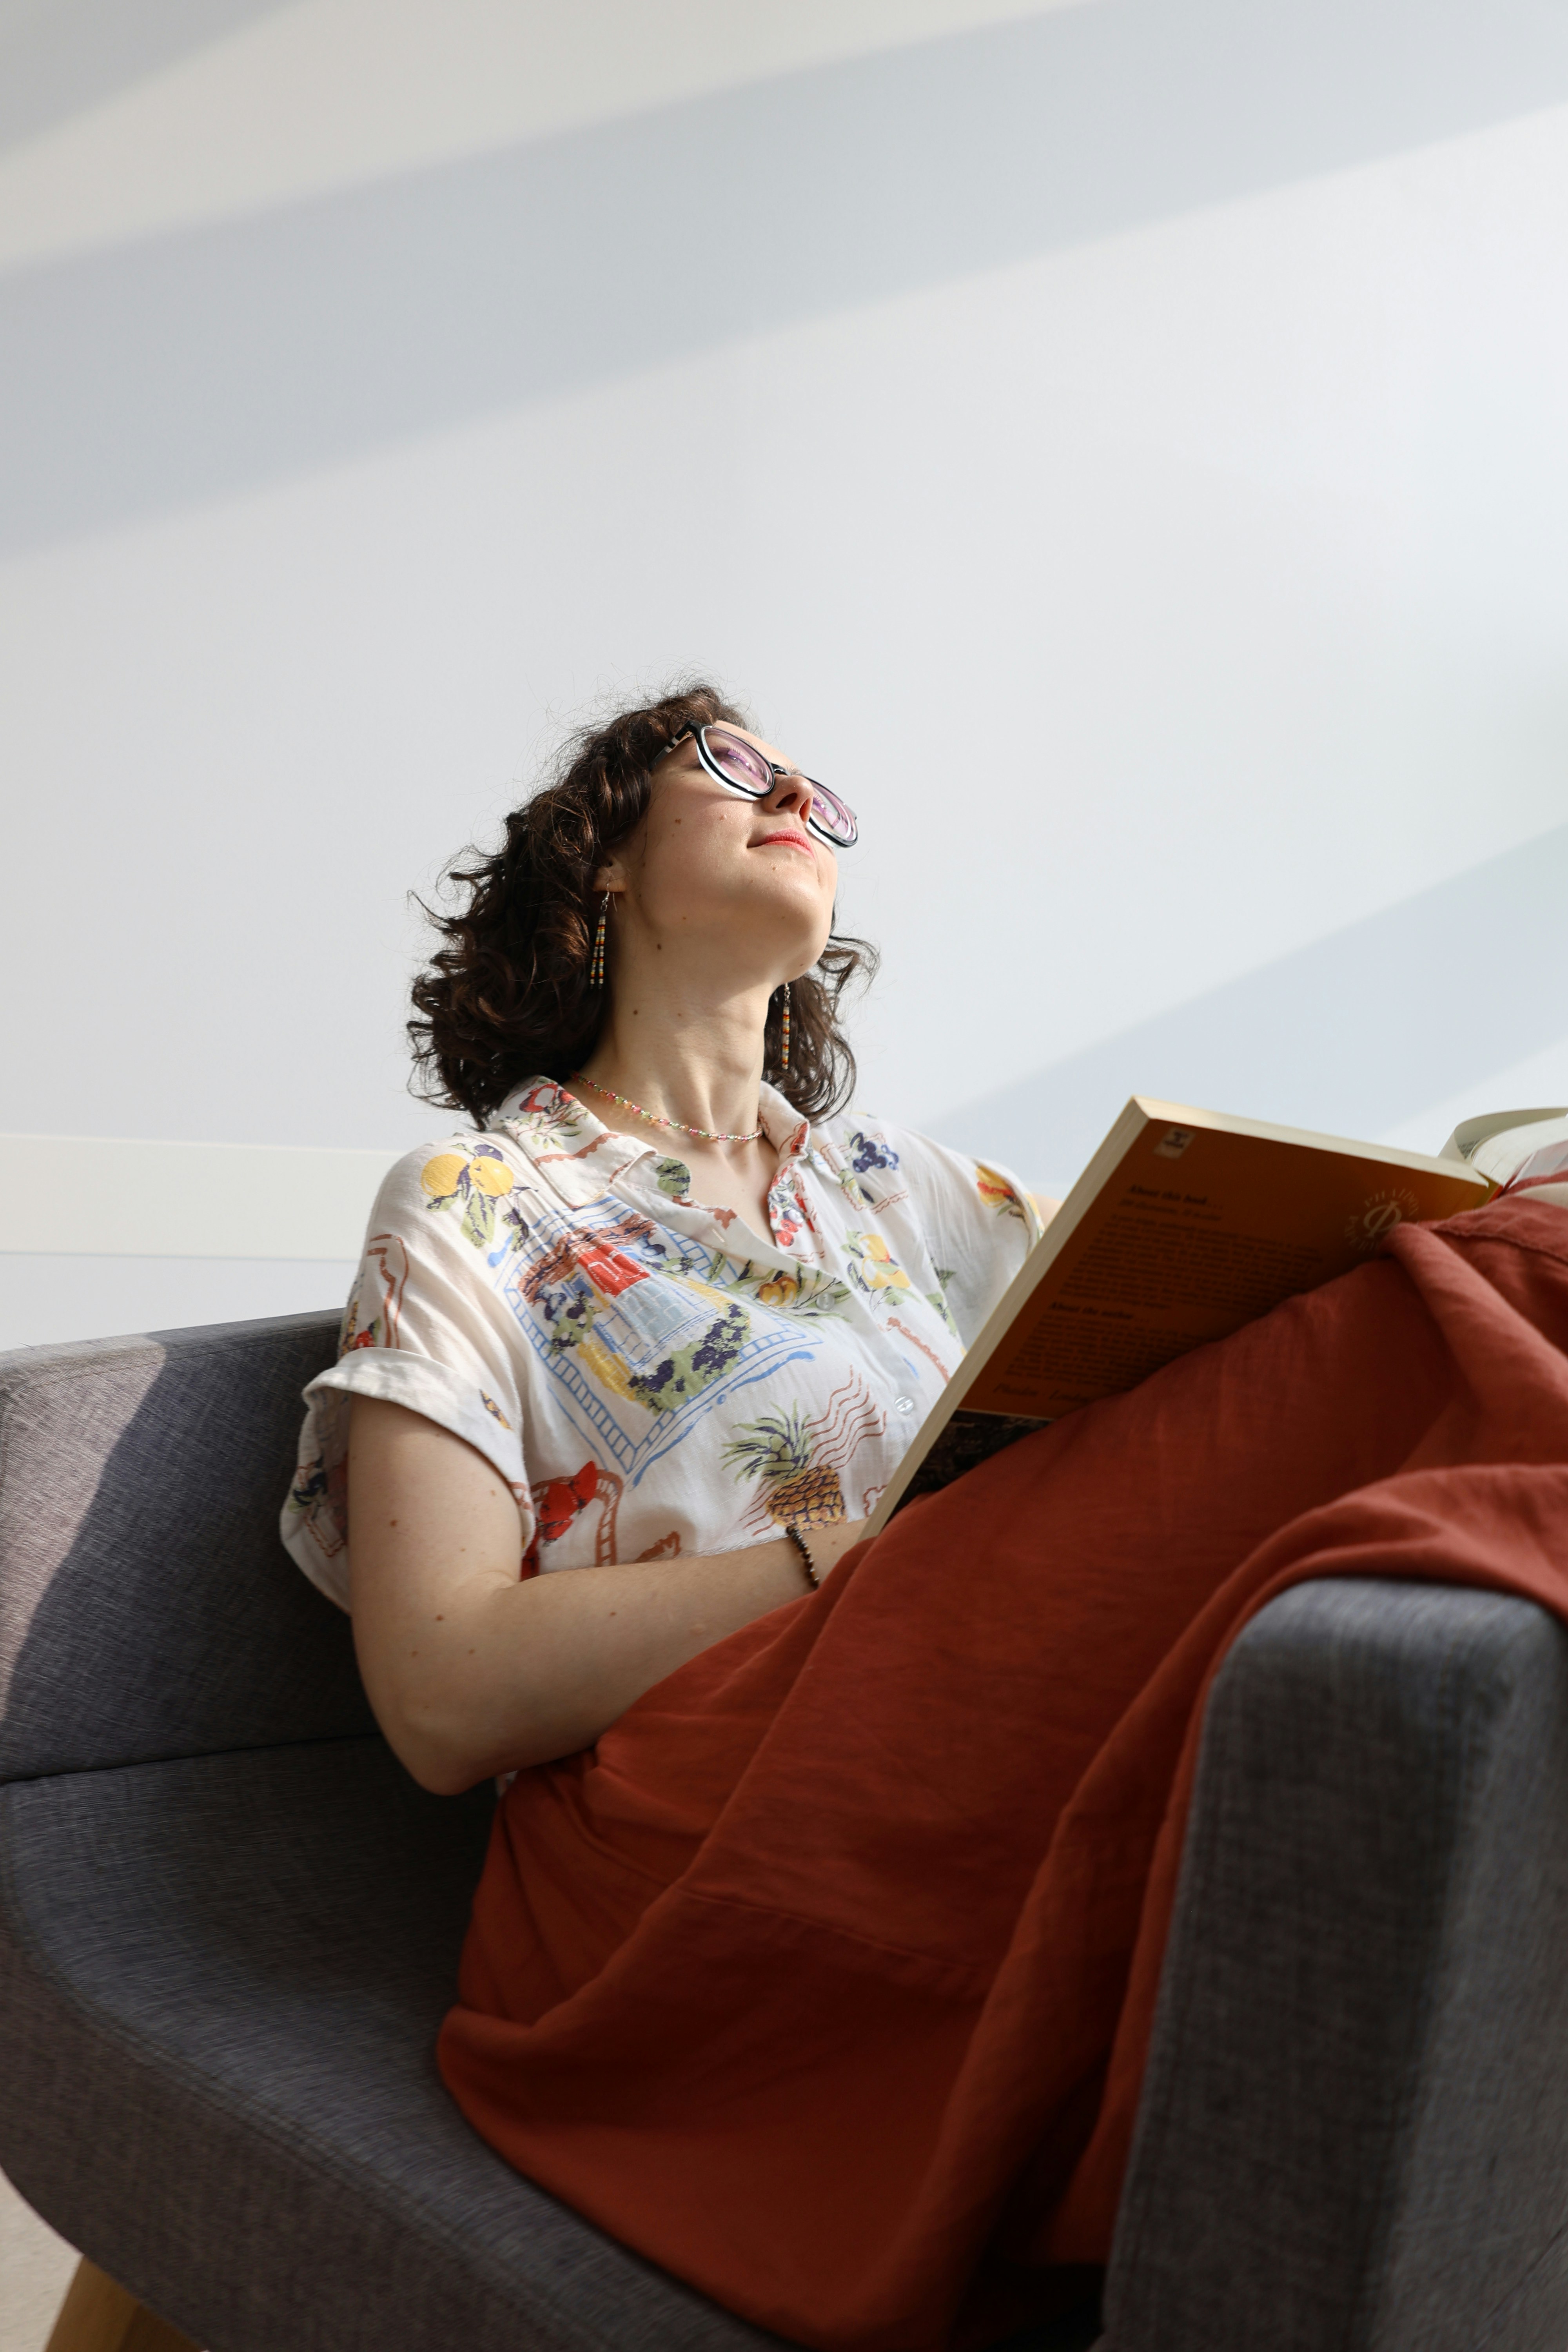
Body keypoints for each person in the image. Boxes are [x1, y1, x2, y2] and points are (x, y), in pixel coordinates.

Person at [283, 682, 1049, 1790]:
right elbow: (441, 1691)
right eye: (732, 764)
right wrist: (867, 1556)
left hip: (994, 1724)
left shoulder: (894, 1183)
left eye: (820, 800)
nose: (795, 794)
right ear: (607, 859)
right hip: (728, 1808)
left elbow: (1179, 1288)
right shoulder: (478, 1202)